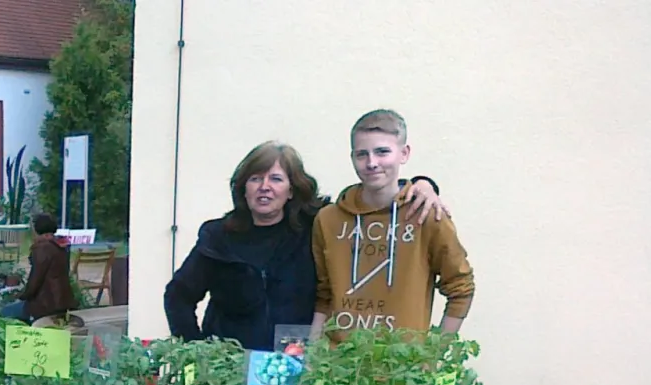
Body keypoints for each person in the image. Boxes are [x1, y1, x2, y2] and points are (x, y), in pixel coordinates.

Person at [164, 139, 448, 350]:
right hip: (230, 374)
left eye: (276, 178)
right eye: (255, 178)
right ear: (244, 188)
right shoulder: (218, 238)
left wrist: (421, 185)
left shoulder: (319, 226)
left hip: (301, 370)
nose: (265, 186)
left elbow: (373, 196)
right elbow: (178, 296)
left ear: (291, 190)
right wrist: (196, 350)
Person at [311, 109, 473, 338]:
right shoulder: (328, 220)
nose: (372, 163)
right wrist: (313, 357)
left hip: (404, 369)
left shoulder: (426, 214)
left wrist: (434, 354)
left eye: (382, 152)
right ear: (352, 158)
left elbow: (461, 287)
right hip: (340, 367)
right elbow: (324, 295)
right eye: (361, 154)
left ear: (404, 153)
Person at [1, 213, 74, 324]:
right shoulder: (61, 246)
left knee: (5, 312)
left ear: (37, 230)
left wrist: (22, 295)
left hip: (45, 304)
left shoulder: (43, 248)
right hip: (62, 303)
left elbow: (35, 280)